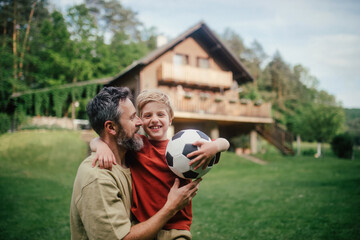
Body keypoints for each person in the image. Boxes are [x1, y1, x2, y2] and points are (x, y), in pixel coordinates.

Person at [91, 89, 230, 239]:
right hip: (141, 225)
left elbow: (225, 143)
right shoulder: (136, 145)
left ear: (170, 119)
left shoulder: (190, 147)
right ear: (141, 121)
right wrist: (101, 146)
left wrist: (215, 147)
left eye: (161, 114)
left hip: (176, 228)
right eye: (148, 115)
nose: (154, 119)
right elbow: (99, 138)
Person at [70, 87, 202, 240]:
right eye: (133, 117)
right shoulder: (97, 177)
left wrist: (98, 142)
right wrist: (171, 207)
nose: (140, 122)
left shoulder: (128, 158)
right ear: (111, 127)